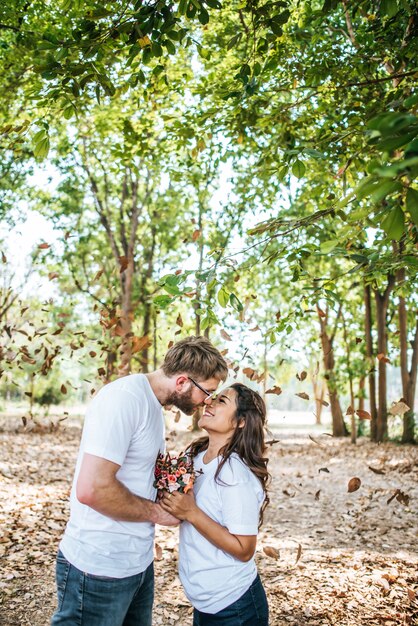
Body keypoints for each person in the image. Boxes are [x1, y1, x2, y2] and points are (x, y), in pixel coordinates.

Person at [51, 336, 228, 626]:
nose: (207, 401)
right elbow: (91, 488)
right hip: (99, 568)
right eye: (207, 392)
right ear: (182, 382)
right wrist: (158, 513)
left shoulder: (152, 404)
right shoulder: (123, 399)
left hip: (137, 565)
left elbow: (136, 477)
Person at [161, 382, 270, 626]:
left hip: (235, 606)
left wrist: (191, 513)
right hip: (206, 603)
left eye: (222, 401)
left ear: (240, 421)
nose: (209, 402)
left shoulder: (234, 474)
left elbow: (244, 549)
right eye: (213, 397)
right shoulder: (197, 457)